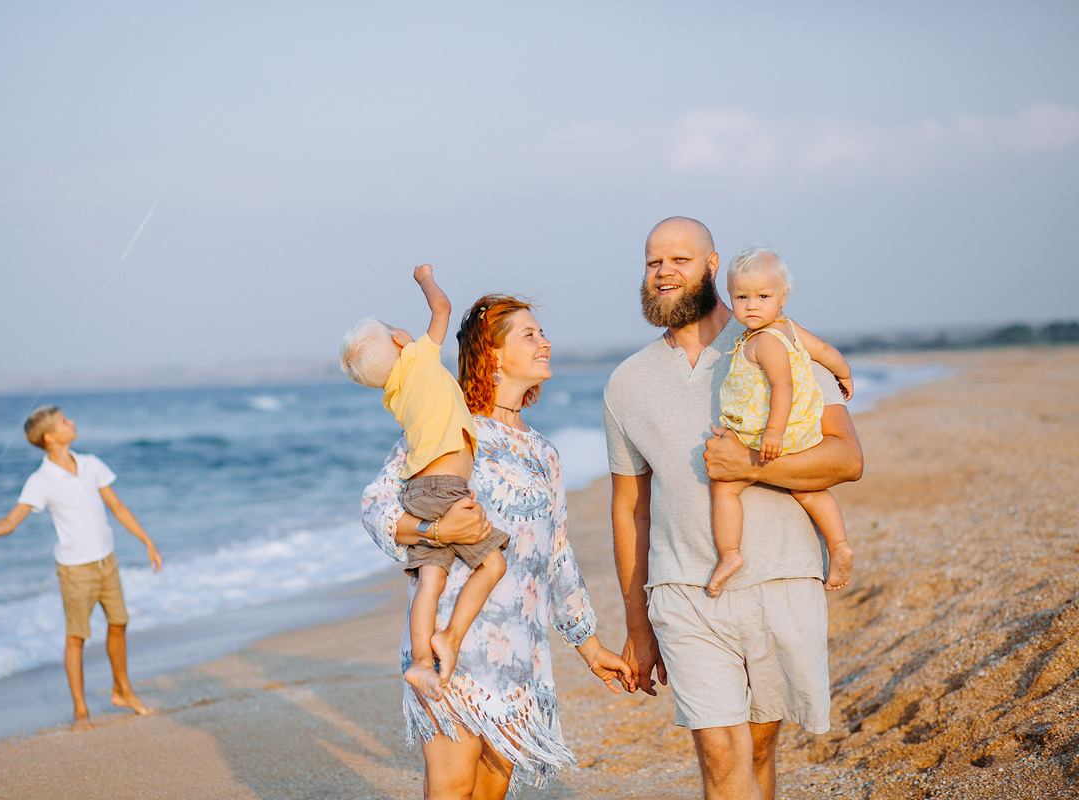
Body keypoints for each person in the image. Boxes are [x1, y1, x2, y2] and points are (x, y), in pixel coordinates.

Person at [603, 217, 863, 800]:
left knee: (761, 747)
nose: (664, 272)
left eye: (680, 260)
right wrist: (636, 623)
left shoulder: (780, 342)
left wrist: (749, 465)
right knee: (720, 754)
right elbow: (631, 510)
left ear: (713, 265)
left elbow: (846, 458)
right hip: (684, 591)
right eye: (653, 262)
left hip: (780, 576)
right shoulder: (626, 383)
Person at [362, 293, 635, 798]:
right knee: (452, 788)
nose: (545, 342)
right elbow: (376, 507)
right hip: (452, 641)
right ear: (492, 354)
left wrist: (590, 646)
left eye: (542, 333)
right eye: (530, 335)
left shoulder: (542, 452)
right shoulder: (446, 425)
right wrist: (438, 534)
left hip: (520, 653)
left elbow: (556, 553)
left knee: (491, 790)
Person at [340, 264, 510, 702]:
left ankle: (419, 662)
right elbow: (443, 307)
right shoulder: (418, 357)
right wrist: (425, 279)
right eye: (399, 330)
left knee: (430, 579)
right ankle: (450, 636)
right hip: (444, 488)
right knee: (492, 564)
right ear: (401, 341)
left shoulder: (394, 394)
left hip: (419, 490)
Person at [0, 406, 162, 732]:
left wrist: (147, 540)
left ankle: (123, 691)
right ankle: (81, 711)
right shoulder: (41, 481)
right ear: (50, 437)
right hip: (75, 571)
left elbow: (117, 507)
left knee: (119, 624)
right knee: (76, 637)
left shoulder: (91, 464)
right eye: (65, 421)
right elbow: (10, 522)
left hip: (107, 562)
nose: (72, 422)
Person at [707, 246, 855, 597]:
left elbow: (782, 386)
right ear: (730, 297)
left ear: (783, 296)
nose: (752, 305)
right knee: (808, 488)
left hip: (772, 432)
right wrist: (844, 372)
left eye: (763, 296)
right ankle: (839, 545)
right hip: (800, 429)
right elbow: (822, 349)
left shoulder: (763, 343)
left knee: (725, 487)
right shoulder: (789, 329)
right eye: (742, 297)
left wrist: (772, 431)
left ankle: (730, 554)